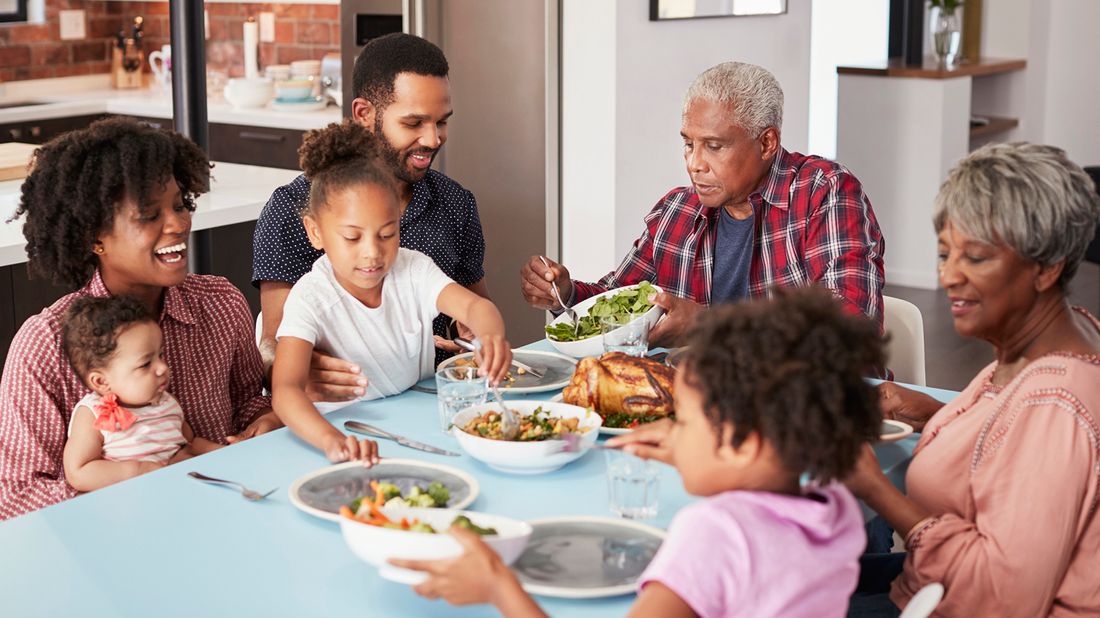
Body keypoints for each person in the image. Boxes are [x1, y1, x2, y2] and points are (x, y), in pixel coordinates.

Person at [390, 287, 884, 617]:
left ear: (742, 445)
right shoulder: (831, 503)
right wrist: (695, 450)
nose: (669, 429)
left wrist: (499, 587)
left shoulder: (715, 535)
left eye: (683, 421)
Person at [846, 143, 1100, 616]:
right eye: (945, 253)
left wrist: (872, 486)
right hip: (928, 582)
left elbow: (1005, 597)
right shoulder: (1063, 336)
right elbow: (1020, 445)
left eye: (977, 258)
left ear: (1047, 268)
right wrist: (936, 412)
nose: (950, 276)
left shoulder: (1058, 403)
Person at [0, 117, 278, 520]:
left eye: (180, 205)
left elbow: (249, 403)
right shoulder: (44, 345)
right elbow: (17, 497)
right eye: (149, 215)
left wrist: (265, 423)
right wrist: (139, 486)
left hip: (223, 517)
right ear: (95, 238)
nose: (178, 223)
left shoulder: (220, 304)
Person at [521, 61, 885, 348]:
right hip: (704, 407)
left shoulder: (824, 193)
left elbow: (850, 326)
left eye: (714, 146)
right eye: (688, 144)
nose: (695, 163)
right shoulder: (675, 212)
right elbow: (618, 301)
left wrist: (708, 325)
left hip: (813, 411)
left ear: (767, 143)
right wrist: (565, 294)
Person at [254, 32, 488, 404]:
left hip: (436, 400)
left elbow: (476, 310)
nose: (433, 139)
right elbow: (272, 341)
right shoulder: (294, 208)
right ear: (364, 114)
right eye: (413, 124)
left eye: (442, 122)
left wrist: (473, 340)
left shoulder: (455, 202)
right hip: (344, 407)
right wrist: (291, 372)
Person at [271, 120, 511, 463]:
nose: (372, 252)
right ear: (315, 232)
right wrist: (330, 441)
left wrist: (491, 336)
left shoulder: (412, 268)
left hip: (417, 419)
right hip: (344, 431)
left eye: (387, 234)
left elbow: (475, 308)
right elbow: (286, 390)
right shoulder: (311, 298)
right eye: (352, 238)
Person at [62, 296, 223, 491]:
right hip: (128, 504)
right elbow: (78, 472)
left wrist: (217, 452)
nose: (162, 367)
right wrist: (136, 471)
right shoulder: (93, 413)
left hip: (176, 493)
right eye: (146, 364)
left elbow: (187, 443)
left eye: (161, 355)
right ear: (102, 381)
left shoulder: (167, 403)